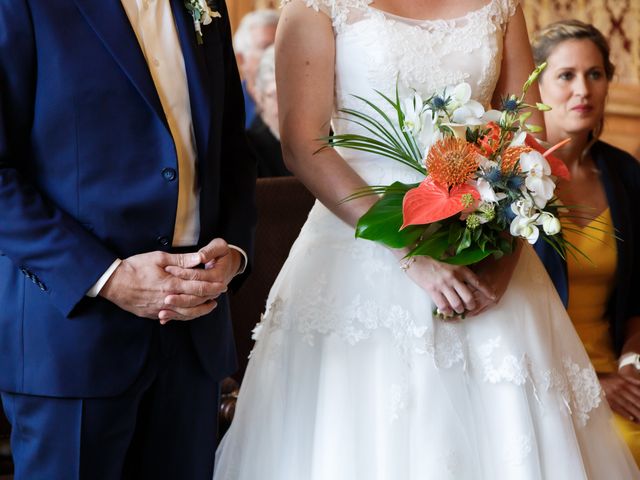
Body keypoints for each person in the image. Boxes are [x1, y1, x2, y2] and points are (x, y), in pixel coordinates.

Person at [214, 1, 639, 478]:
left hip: (485, 245)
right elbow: (302, 144)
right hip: (361, 250)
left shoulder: (503, 6)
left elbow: (528, 136)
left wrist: (504, 262)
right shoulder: (316, 6)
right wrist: (408, 252)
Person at [0, 1, 255, 479]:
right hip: (75, 337)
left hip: (193, 335)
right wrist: (106, 276)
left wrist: (235, 253)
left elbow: (232, 152)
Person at [531, 19, 640, 464]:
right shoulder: (511, 179)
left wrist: (633, 364)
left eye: (595, 74)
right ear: (537, 85)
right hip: (542, 377)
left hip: (618, 370)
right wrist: (593, 383)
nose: (583, 90)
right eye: (566, 76)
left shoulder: (626, 173)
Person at [247, 45, 291, 177]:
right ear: (259, 97)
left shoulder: (331, 139)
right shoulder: (247, 150)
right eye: (279, 96)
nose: (290, 105)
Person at [233, 9, 279, 128]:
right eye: (266, 47)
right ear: (241, 59)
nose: (276, 54)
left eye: (281, 46)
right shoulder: (228, 107)